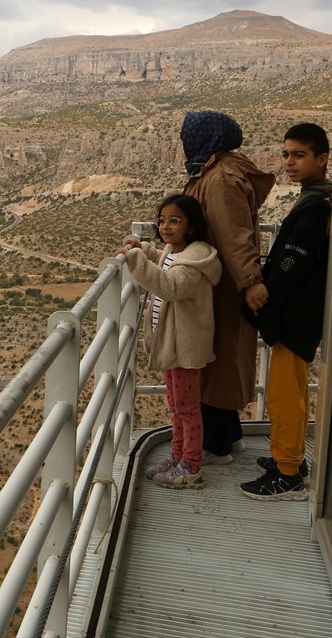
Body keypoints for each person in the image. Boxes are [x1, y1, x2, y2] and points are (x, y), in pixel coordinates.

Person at [239, 124, 332, 501]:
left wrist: (266, 299)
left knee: (283, 394)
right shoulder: (320, 199)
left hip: (297, 316)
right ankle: (286, 457)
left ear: (322, 159)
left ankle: (289, 471)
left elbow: (294, 262)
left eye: (299, 155)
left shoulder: (315, 207)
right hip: (303, 313)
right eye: (286, 154)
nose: (289, 163)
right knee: (289, 391)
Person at [181, 111, 275, 463]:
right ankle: (230, 435)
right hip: (218, 282)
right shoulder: (218, 169)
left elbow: (234, 234)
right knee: (220, 358)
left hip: (220, 286)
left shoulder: (219, 176)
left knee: (213, 361)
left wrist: (250, 281)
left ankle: (214, 445)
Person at [118, 194, 222, 489]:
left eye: (174, 220)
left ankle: (191, 466)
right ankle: (178, 456)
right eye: (161, 220)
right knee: (176, 405)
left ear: (191, 226)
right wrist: (145, 250)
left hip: (185, 348)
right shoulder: (175, 252)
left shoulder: (196, 260)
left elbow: (170, 285)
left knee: (187, 408)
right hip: (171, 344)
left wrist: (135, 258)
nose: (165, 226)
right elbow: (162, 261)